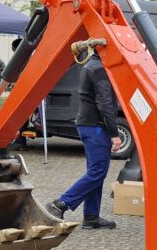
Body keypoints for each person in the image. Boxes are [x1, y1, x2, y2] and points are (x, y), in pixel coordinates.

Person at [45, 50, 122, 230]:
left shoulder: (91, 65)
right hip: (95, 127)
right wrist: (114, 133)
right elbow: (105, 104)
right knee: (97, 172)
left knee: (96, 172)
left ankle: (91, 216)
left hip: (88, 125)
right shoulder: (99, 69)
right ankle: (60, 204)